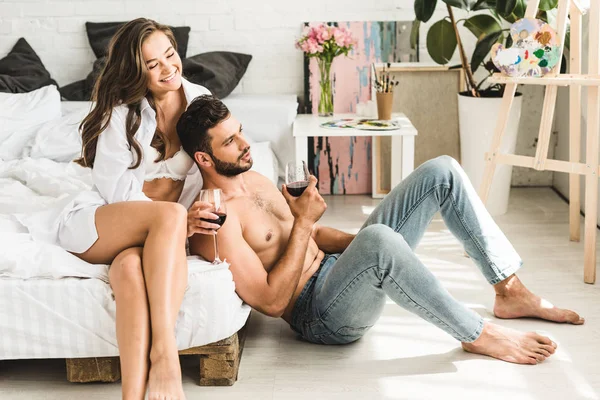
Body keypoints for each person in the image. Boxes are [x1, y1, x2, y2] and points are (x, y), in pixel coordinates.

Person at [177, 94, 585, 366]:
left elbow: (313, 236)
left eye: (241, 131)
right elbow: (270, 301)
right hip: (319, 314)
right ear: (204, 158)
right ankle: (476, 334)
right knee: (378, 240)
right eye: (230, 141)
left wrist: (373, 248)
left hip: (341, 273)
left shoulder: (257, 179)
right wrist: (307, 222)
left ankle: (509, 290)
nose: (245, 144)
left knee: (441, 170)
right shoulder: (215, 220)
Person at [18, 18, 218, 400]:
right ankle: (166, 355)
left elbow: (215, 166)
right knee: (171, 215)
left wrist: (200, 206)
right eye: (152, 64)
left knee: (128, 268)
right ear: (134, 71)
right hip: (102, 222)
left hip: (157, 232)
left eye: (170, 55)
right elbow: (117, 195)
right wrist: (175, 216)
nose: (168, 68)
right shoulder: (119, 113)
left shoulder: (200, 101)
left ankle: (133, 394)